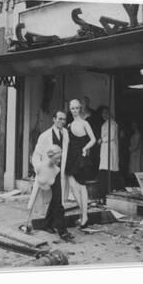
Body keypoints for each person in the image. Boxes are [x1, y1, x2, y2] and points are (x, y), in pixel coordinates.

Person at [28, 111, 73, 240]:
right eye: (59, 119)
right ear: (54, 119)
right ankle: (62, 230)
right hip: (48, 171)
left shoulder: (65, 133)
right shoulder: (44, 136)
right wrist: (38, 168)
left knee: (56, 198)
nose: (61, 122)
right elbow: (36, 155)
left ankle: (47, 223)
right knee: (58, 200)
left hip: (60, 171)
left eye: (64, 119)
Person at [65, 99, 97, 229]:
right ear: (70, 109)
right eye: (72, 108)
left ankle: (84, 216)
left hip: (82, 158)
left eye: (77, 108)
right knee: (73, 186)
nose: (74, 111)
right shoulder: (68, 125)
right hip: (71, 158)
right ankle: (83, 213)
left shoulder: (85, 123)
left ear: (80, 108)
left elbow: (93, 139)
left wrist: (85, 148)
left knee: (82, 186)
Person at [98, 106, 123, 194]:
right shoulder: (104, 124)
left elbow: (111, 136)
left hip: (110, 147)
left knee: (111, 167)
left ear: (109, 113)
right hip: (104, 148)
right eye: (103, 113)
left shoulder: (113, 124)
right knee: (104, 168)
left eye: (105, 113)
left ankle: (113, 189)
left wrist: (102, 140)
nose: (104, 115)